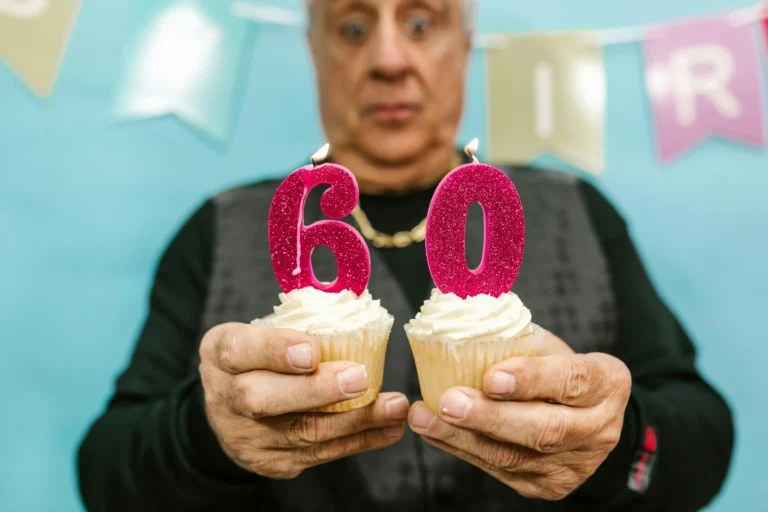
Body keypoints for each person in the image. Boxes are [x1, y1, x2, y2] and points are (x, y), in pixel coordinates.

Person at [77, 0, 734, 510]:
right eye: (354, 27)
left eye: (421, 22)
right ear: (315, 52)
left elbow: (703, 434)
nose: (389, 58)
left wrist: (616, 441)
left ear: (465, 44)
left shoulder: (576, 210)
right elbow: (106, 469)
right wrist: (205, 433)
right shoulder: (219, 229)